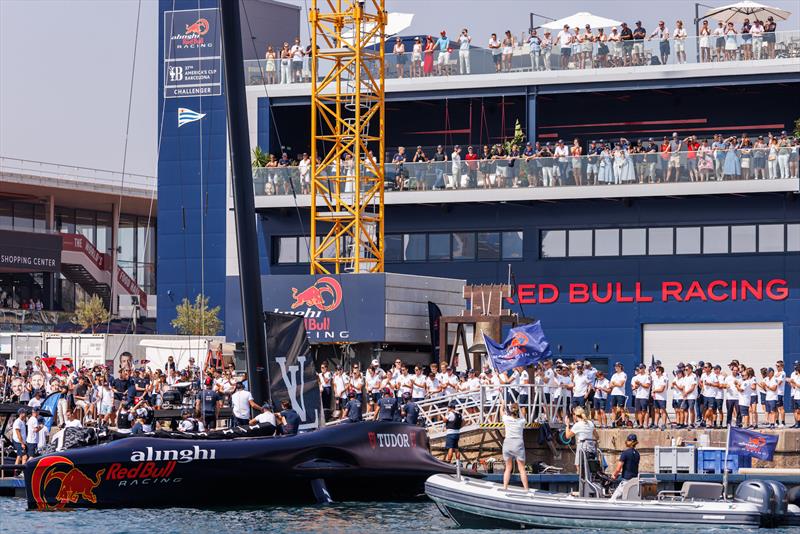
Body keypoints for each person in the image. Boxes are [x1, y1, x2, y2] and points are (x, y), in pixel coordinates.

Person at [500, 401, 528, 490]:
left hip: (507, 443)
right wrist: (520, 407)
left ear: (510, 411)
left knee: (508, 468)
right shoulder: (522, 421)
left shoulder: (506, 419)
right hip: (518, 443)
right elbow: (524, 413)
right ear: (518, 411)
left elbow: (501, 411)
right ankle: (526, 489)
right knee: (522, 469)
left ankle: (505, 487)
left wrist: (503, 404)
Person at [565, 406, 598, 473]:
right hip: (591, 448)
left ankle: (581, 479)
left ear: (575, 415)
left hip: (582, 447)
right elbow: (597, 436)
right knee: (589, 466)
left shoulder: (577, 425)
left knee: (578, 466)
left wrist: (567, 425)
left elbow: (567, 436)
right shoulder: (591, 423)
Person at [610, 434, 640, 500]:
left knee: (612, 500)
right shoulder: (637, 454)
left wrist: (614, 475)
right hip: (634, 481)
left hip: (626, 481)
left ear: (629, 442)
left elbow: (618, 469)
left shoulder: (625, 453)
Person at [609, 362, 627, 426]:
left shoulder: (623, 374)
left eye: (617, 366)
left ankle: (623, 422)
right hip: (613, 393)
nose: (615, 367)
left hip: (620, 394)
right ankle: (613, 422)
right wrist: (615, 384)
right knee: (613, 409)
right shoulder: (614, 375)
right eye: (615, 366)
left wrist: (614, 383)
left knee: (622, 409)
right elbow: (610, 385)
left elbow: (621, 384)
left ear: (620, 367)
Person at [789, 361, 800, 428]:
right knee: (795, 410)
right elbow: (792, 384)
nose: (795, 367)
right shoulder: (793, 374)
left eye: (796, 365)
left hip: (798, 395)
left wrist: (794, 382)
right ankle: (796, 422)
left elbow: (796, 384)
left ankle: (798, 423)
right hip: (794, 394)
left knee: (798, 410)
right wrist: (791, 383)